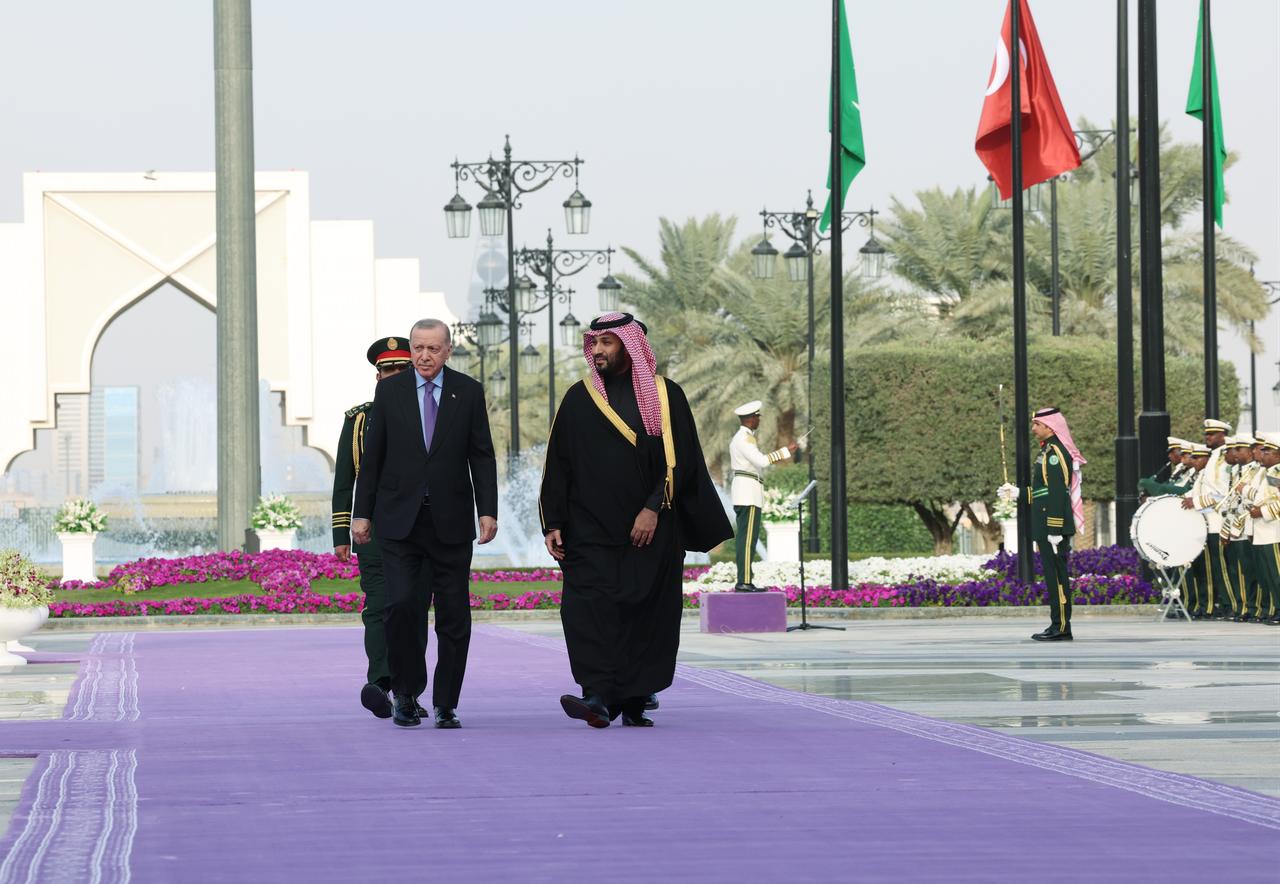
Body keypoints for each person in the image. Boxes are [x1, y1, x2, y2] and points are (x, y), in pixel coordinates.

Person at [540, 312, 732, 728]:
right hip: (588, 529)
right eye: (594, 344)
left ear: (630, 346)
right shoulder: (579, 397)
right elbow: (558, 463)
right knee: (586, 609)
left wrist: (652, 508)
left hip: (650, 530)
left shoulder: (665, 397)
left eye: (607, 343)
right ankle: (597, 694)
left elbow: (680, 462)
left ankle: (633, 697)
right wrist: (552, 521)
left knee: (646, 612)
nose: (598, 351)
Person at [351, 318, 498, 729]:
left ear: (448, 350)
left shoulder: (467, 392)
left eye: (433, 348)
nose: (424, 356)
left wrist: (487, 509)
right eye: (418, 348)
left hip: (450, 524)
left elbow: (481, 455)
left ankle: (446, 702)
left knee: (454, 616)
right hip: (399, 523)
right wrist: (361, 513)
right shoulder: (390, 391)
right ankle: (405, 693)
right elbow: (373, 458)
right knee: (400, 606)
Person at [332, 336, 414, 719]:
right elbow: (344, 480)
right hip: (374, 530)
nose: (394, 375)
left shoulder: (427, 412)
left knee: (409, 607)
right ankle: (381, 683)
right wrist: (341, 533)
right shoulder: (359, 419)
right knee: (378, 607)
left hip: (417, 526)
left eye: (401, 369)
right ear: (378, 377)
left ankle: (408, 690)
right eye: (387, 370)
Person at [1027, 407, 1086, 642]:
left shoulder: (1056, 453)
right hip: (1046, 523)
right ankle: (1057, 623)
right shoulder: (1048, 451)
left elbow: (1058, 492)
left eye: (1036, 425)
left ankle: (1061, 626)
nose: (1033, 429)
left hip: (1054, 527)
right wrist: (1018, 493)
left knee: (1057, 576)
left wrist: (1054, 528)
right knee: (1052, 576)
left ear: (1049, 427)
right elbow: (1042, 491)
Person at [728, 401, 798, 591]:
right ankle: (744, 581)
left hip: (747, 491)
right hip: (747, 493)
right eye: (757, 417)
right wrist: (785, 452)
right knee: (747, 539)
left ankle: (745, 580)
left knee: (747, 538)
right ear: (750, 419)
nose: (759, 420)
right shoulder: (744, 439)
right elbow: (761, 461)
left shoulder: (744, 437)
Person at [1182, 419, 1233, 619]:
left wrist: (1197, 501)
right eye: (1207, 434)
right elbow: (1202, 489)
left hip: (1218, 522)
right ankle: (1217, 605)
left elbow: (1222, 492)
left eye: (1212, 434)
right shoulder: (1214, 458)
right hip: (1206, 523)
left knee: (1222, 569)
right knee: (1212, 570)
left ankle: (1228, 605)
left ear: (1222, 435)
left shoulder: (1224, 459)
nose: (1208, 437)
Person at [1246, 433, 1280, 624]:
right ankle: (1275, 609)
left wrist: (1263, 512)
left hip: (1274, 530)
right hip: (1262, 532)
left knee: (1277, 576)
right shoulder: (1268, 473)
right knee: (1268, 577)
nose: (1263, 454)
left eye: (1267, 451)